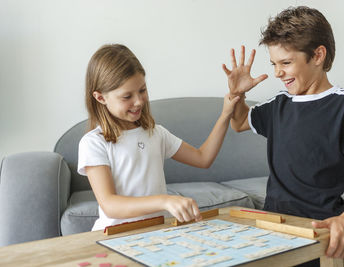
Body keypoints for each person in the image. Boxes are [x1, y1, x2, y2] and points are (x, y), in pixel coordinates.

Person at [222, 6, 344, 267]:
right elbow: (238, 122)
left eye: (286, 62)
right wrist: (237, 94)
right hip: (273, 233)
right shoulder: (280, 104)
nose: (277, 73)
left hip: (322, 235)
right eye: (273, 64)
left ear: (318, 55)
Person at [78, 44, 240, 231]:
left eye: (142, 90)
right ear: (100, 98)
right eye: (127, 96)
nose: (138, 101)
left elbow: (203, 158)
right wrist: (164, 200)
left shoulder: (156, 133)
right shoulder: (94, 143)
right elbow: (110, 205)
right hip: (115, 235)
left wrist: (226, 114)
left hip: (155, 233)